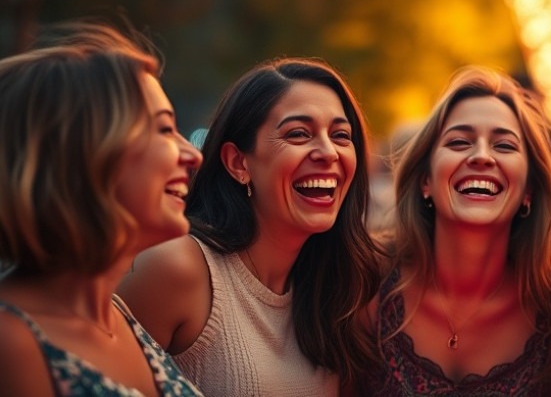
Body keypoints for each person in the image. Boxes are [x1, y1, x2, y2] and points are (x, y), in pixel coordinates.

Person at [118, 58, 383, 396]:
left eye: (341, 135)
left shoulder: (339, 287)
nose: (328, 152)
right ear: (238, 163)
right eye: (298, 133)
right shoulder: (177, 267)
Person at [0, 21, 203, 395]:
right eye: (163, 130)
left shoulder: (120, 314)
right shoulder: (12, 344)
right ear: (82, 155)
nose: (193, 154)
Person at [361, 67, 551, 395]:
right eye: (459, 141)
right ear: (426, 180)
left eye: (504, 146)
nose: (481, 156)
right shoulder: (367, 282)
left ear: (529, 191)